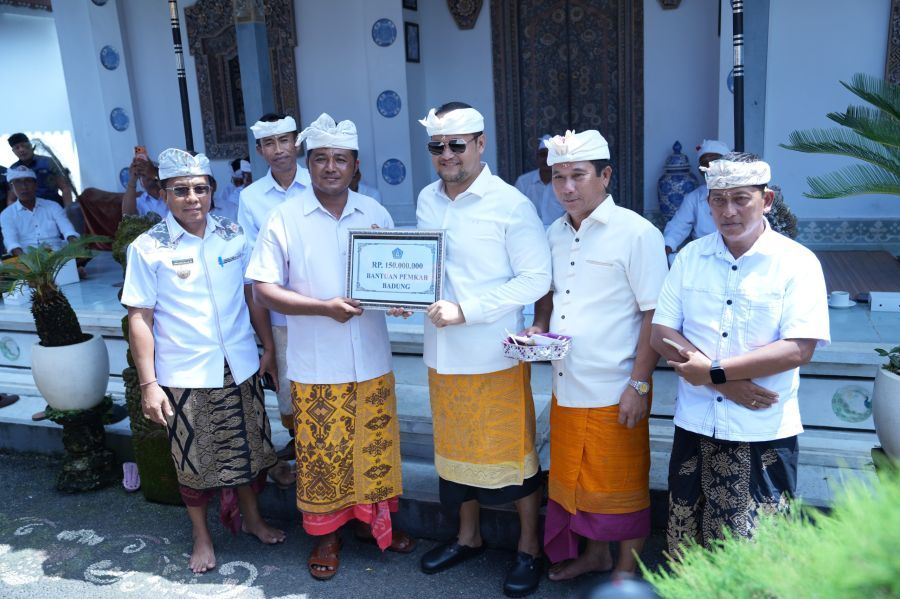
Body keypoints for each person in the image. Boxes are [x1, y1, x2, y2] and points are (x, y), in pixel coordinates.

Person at [246, 113, 413, 581]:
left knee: (372, 447)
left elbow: (392, 276)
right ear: (309, 163)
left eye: (341, 159)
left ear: (355, 165)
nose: (331, 167)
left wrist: (399, 301)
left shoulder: (375, 212)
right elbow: (262, 287)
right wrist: (323, 307)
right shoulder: (285, 217)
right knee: (323, 454)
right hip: (317, 362)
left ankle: (371, 525)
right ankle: (327, 535)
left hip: (372, 357)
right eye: (320, 159)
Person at [650, 152, 830, 556]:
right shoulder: (691, 257)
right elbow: (661, 333)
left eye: (741, 199)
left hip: (761, 428)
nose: (728, 211)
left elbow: (800, 347)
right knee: (686, 542)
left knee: (756, 551)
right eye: (718, 200)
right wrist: (724, 382)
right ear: (706, 202)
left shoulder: (796, 263)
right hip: (696, 423)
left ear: (766, 200)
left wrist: (713, 372)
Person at [121, 148, 284, 574]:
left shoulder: (233, 233)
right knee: (193, 462)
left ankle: (252, 520)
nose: (192, 198)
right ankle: (202, 536)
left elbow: (252, 295)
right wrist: (149, 384)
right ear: (163, 194)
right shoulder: (147, 247)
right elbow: (140, 316)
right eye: (181, 190)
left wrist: (268, 346)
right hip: (185, 372)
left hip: (241, 364)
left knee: (250, 450)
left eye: (200, 188)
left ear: (211, 191)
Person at [414, 102, 551, 598]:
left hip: (493, 355)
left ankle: (529, 549)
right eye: (437, 147)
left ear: (479, 144)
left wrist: (468, 310)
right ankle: (467, 538)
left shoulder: (510, 204)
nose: (446, 154)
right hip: (441, 354)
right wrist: (400, 299)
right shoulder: (428, 200)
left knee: (513, 460)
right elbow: (427, 269)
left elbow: (537, 278)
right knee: (454, 456)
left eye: (456, 144)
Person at [525, 130, 668, 580]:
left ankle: (624, 571)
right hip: (567, 382)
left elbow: (654, 315)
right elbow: (548, 295)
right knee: (575, 484)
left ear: (605, 175)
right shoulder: (553, 232)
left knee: (620, 484)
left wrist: (639, 384)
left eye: (579, 176)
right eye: (558, 176)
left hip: (616, 385)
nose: (567, 187)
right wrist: (538, 328)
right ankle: (594, 555)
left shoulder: (636, 232)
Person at [238, 113, 312, 483]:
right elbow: (255, 270)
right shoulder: (250, 198)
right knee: (288, 388)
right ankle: (304, 444)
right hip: (281, 314)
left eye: (285, 140)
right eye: (270, 143)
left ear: (296, 142)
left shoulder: (320, 181)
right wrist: (263, 338)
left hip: (322, 310)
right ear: (260, 150)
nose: (279, 150)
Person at [662, 139, 730, 258]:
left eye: (714, 161)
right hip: (704, 256)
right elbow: (678, 226)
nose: (709, 167)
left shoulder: (740, 193)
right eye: (704, 163)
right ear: (700, 169)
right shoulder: (694, 197)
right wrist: (666, 248)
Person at [1, 165, 79, 257]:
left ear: (35, 184)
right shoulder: (7, 214)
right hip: (26, 259)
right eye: (17, 182)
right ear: (12, 187)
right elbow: (12, 243)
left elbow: (68, 230)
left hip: (57, 257)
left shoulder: (53, 206)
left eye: (28, 181)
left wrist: (74, 244)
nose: (24, 187)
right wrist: (28, 262)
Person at [6, 133, 73, 208]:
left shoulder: (49, 162)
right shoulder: (13, 169)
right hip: (29, 212)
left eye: (23, 145)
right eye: (17, 148)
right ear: (13, 151)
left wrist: (68, 210)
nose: (21, 150)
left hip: (53, 207)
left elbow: (65, 188)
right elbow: (12, 198)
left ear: (31, 145)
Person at [513, 134, 552, 216]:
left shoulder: (563, 182)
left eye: (550, 155)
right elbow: (514, 210)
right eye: (543, 155)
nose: (546, 159)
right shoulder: (523, 182)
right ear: (537, 158)